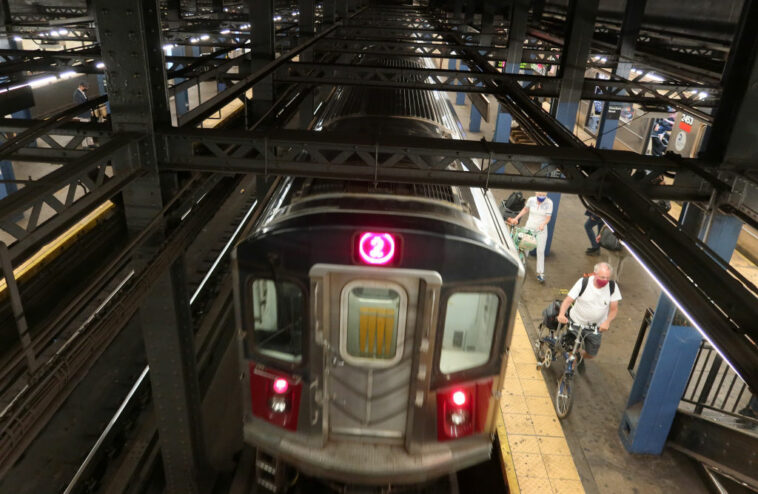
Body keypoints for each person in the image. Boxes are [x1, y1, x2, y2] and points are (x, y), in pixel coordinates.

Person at [557, 262, 621, 372]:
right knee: (571, 348)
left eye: (607, 278)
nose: (605, 280)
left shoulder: (612, 286)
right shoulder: (584, 282)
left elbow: (614, 309)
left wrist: (607, 321)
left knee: (591, 354)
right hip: (576, 322)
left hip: (595, 328)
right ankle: (571, 366)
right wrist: (561, 314)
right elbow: (568, 300)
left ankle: (579, 355)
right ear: (595, 274)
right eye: (602, 277)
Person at [507, 191, 553, 283]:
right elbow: (525, 209)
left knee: (540, 251)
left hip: (541, 230)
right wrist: (516, 218)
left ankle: (540, 273)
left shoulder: (549, 203)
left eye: (544, 195)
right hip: (529, 228)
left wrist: (543, 224)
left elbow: (548, 217)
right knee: (524, 248)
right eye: (540, 195)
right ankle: (521, 268)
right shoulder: (531, 200)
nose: (541, 197)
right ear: (536, 193)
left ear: (546, 194)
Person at [73, 82, 94, 147]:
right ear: (81, 86)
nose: (86, 89)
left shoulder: (82, 92)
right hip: (83, 115)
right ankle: (85, 145)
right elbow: (81, 105)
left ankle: (90, 143)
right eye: (85, 87)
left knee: (88, 129)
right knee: (84, 130)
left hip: (87, 114)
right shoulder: (77, 94)